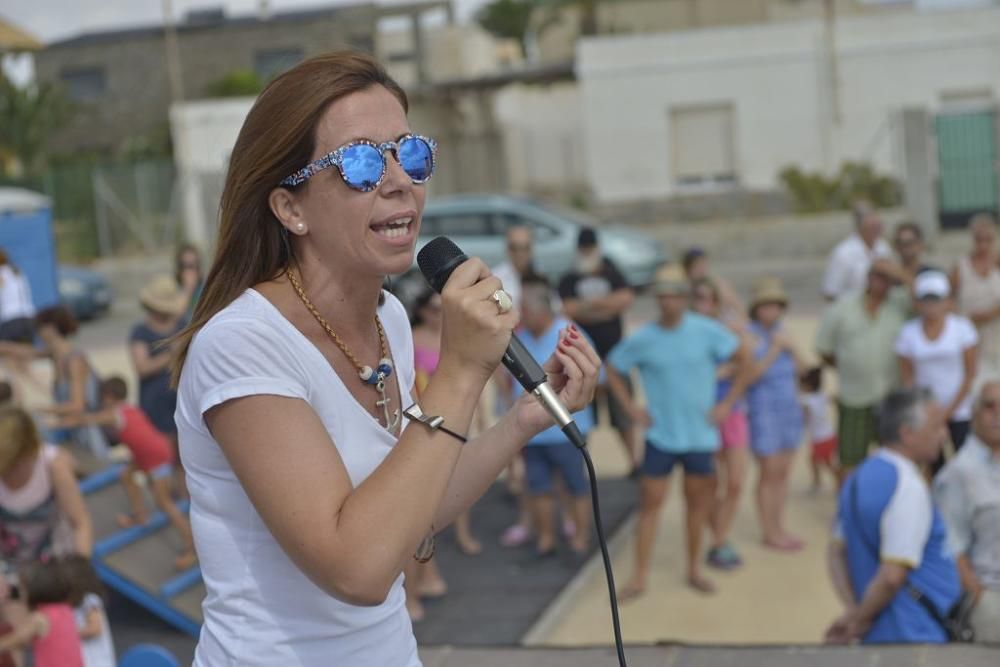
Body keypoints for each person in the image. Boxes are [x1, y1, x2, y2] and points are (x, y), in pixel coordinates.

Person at [169, 52, 599, 666]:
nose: (400, 180)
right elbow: (358, 569)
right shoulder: (242, 346)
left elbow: (412, 513)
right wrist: (460, 373)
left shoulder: (388, 318)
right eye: (363, 161)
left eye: (411, 153)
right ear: (290, 208)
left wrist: (525, 420)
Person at [608, 265, 750, 597]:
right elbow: (613, 368)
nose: (668, 302)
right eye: (663, 296)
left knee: (697, 505)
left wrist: (727, 403)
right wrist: (631, 408)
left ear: (684, 298)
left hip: (700, 436)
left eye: (674, 295)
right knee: (650, 505)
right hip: (662, 436)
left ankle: (694, 569)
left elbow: (744, 357)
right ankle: (640, 575)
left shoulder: (706, 330)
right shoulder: (644, 338)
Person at [825, 388, 961, 644]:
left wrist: (854, 608)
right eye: (936, 427)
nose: (943, 435)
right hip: (914, 632)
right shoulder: (908, 486)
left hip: (885, 632)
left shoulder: (856, 479)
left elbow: (835, 553)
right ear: (907, 434)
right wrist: (859, 620)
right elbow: (892, 575)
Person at [56, 377, 196, 570]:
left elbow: (87, 419)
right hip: (149, 453)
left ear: (109, 397)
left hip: (155, 457)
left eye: (103, 397)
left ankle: (191, 547)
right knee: (126, 476)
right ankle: (140, 514)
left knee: (164, 503)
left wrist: (59, 422)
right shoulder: (128, 408)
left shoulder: (115, 414)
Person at [515, 274, 594, 560]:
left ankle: (581, 537)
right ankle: (546, 538)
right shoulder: (519, 337)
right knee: (538, 487)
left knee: (575, 485)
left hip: (566, 428)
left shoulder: (568, 334)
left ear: (541, 310)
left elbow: (592, 377)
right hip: (531, 432)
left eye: (524, 309)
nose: (519, 315)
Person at [817, 260, 911, 483]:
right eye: (878, 275)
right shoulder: (842, 307)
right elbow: (824, 348)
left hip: (891, 397)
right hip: (854, 397)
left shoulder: (901, 304)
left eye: (888, 277)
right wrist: (850, 367)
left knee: (896, 459)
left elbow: (934, 301)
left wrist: (901, 274)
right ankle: (849, 512)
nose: (882, 281)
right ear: (868, 276)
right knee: (850, 460)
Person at [558, 227, 636, 473]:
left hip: (615, 355)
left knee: (623, 414)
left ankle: (635, 462)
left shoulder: (611, 269)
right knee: (583, 414)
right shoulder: (570, 276)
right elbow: (568, 308)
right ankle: (581, 466)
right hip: (583, 358)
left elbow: (625, 298)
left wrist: (590, 308)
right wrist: (605, 307)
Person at [690, 277, 750, 571]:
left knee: (737, 481)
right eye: (699, 298)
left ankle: (718, 539)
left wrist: (728, 400)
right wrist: (714, 375)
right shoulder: (686, 334)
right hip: (702, 415)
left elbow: (746, 363)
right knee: (711, 484)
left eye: (709, 298)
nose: (704, 304)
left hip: (730, 410)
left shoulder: (726, 332)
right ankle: (719, 541)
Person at [933, 381, 1000, 644]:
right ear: (974, 414)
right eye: (989, 406)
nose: (997, 412)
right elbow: (950, 546)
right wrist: (980, 599)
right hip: (991, 601)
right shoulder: (959, 473)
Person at [895, 270, 978, 474]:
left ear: (947, 301)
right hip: (926, 411)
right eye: (926, 299)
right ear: (918, 303)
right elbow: (907, 377)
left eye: (936, 299)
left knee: (966, 462)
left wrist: (947, 411)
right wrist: (927, 411)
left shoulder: (962, 328)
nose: (931, 305)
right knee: (934, 465)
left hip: (960, 409)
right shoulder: (908, 332)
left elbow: (969, 374)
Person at [0, 307, 110, 459]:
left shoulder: (74, 360)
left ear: (51, 328)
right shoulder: (54, 355)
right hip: (73, 432)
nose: (38, 333)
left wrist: (41, 411)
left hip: (87, 434)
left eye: (40, 328)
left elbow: (77, 406)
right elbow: (22, 351)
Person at [745, 277, 806, 551]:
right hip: (763, 409)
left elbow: (805, 371)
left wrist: (793, 349)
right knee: (768, 472)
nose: (771, 311)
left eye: (775, 305)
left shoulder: (784, 331)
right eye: (766, 305)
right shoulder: (750, 334)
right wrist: (774, 349)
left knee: (783, 472)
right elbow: (751, 375)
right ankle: (768, 530)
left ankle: (779, 526)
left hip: (788, 407)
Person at [0, 406, 92, 569]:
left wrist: (80, 575)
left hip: (54, 562)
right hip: (10, 562)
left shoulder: (53, 466)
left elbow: (80, 524)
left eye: (11, 466)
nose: (7, 473)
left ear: (29, 451)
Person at [129, 275, 187, 493]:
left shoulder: (181, 324)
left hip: (180, 398)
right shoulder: (141, 332)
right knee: (162, 458)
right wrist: (171, 354)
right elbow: (142, 367)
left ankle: (183, 503)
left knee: (184, 457)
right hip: (155, 402)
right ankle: (167, 505)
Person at [0, 559, 84, 667]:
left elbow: (19, 638)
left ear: (34, 590)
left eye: (23, 589)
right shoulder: (65, 610)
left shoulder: (40, 618)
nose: (21, 594)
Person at [951, 213, 1000, 379]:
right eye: (979, 239)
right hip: (970, 336)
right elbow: (949, 299)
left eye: (988, 239)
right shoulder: (961, 266)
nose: (984, 245)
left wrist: (991, 313)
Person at [822, 201, 892, 301]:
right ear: (861, 226)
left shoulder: (883, 247)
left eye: (878, 225)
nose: (877, 229)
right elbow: (830, 292)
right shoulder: (843, 253)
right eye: (872, 226)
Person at [61, 554, 115, 667]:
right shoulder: (73, 604)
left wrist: (66, 634)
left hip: (96, 661)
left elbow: (95, 628)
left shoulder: (90, 599)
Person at [682, 247, 745, 325]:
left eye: (703, 264)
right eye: (697, 266)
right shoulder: (684, 288)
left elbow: (740, 310)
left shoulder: (719, 285)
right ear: (688, 269)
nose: (702, 270)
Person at [799, 367, 836, 492]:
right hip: (828, 434)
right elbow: (832, 398)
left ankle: (837, 479)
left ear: (807, 386)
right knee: (816, 461)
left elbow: (804, 417)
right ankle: (818, 482)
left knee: (825, 463)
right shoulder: (821, 395)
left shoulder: (806, 401)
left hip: (820, 438)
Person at [0, 251, 36, 345]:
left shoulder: (2, 274)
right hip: (28, 318)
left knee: (9, 355)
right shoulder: (17, 271)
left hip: (11, 320)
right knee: (27, 354)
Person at [175, 242, 205, 322]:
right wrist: (187, 289)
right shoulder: (172, 288)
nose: (189, 271)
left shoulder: (206, 287)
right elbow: (173, 319)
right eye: (185, 266)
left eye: (192, 266)